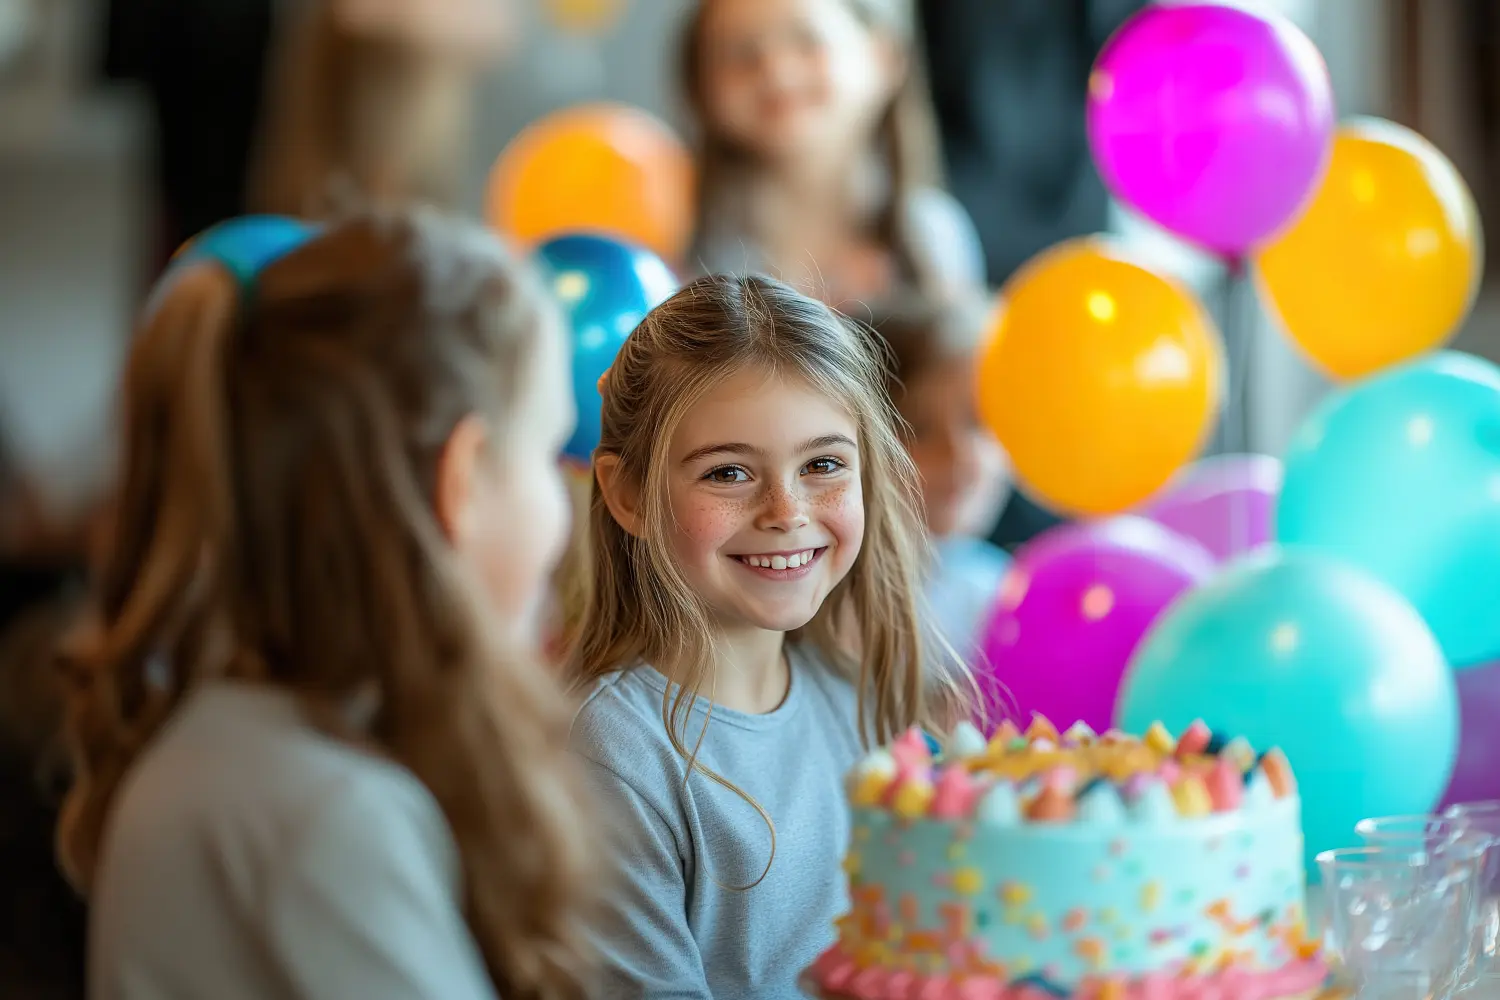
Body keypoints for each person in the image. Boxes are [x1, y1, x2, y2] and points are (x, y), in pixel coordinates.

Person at [59, 209, 597, 1000]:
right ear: (465, 476)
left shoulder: (248, 741)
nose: (562, 509)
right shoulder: (328, 817)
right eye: (549, 454)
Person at [567, 273, 974, 999]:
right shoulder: (613, 759)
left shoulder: (862, 706)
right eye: (728, 472)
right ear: (628, 495)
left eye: (822, 465)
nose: (786, 511)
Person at [680, 0, 985, 307]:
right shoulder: (683, 239)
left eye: (807, 40)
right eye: (740, 54)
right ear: (700, 88)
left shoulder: (928, 235)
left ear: (884, 56)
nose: (776, 71)